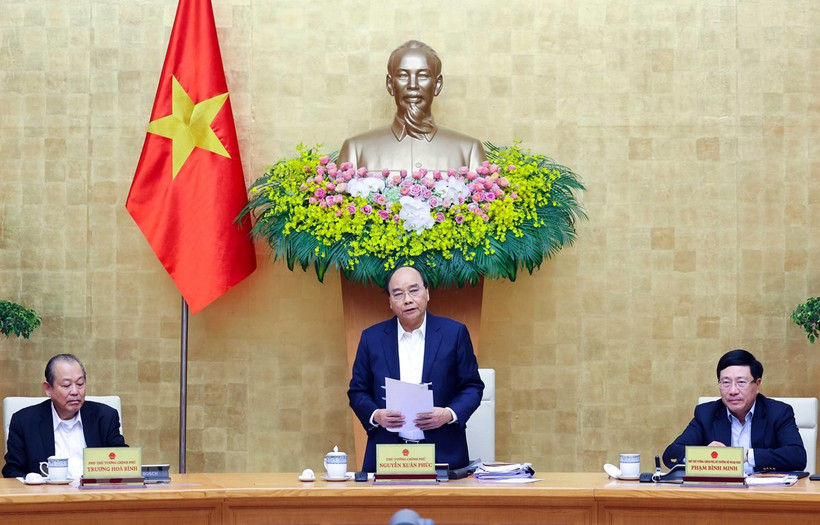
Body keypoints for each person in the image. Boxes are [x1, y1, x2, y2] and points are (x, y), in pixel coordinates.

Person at [348, 266, 484, 472]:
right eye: (398, 294)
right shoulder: (371, 338)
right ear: (390, 302)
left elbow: (472, 386)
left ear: (427, 293)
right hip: (388, 456)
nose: (408, 299)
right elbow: (357, 391)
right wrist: (376, 415)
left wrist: (449, 414)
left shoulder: (454, 333)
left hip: (443, 454)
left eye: (414, 290)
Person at [338, 40, 486, 175]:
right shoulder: (356, 149)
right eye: (403, 76)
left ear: (438, 85)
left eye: (423, 76)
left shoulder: (468, 150)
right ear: (390, 84)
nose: (413, 85)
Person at [662, 349, 806, 473]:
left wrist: (745, 455)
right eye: (725, 383)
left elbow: (797, 456)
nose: (732, 391)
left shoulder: (778, 412)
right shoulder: (706, 413)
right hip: (720, 495)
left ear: (757, 385)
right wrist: (704, 455)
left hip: (766, 496)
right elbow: (671, 454)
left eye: (741, 382)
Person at [2, 354, 127, 479]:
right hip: (47, 496)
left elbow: (123, 461)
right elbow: (12, 470)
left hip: (94, 495)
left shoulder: (105, 417)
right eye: (66, 386)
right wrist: (33, 482)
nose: (75, 391)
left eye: (80, 384)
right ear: (48, 389)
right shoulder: (25, 421)